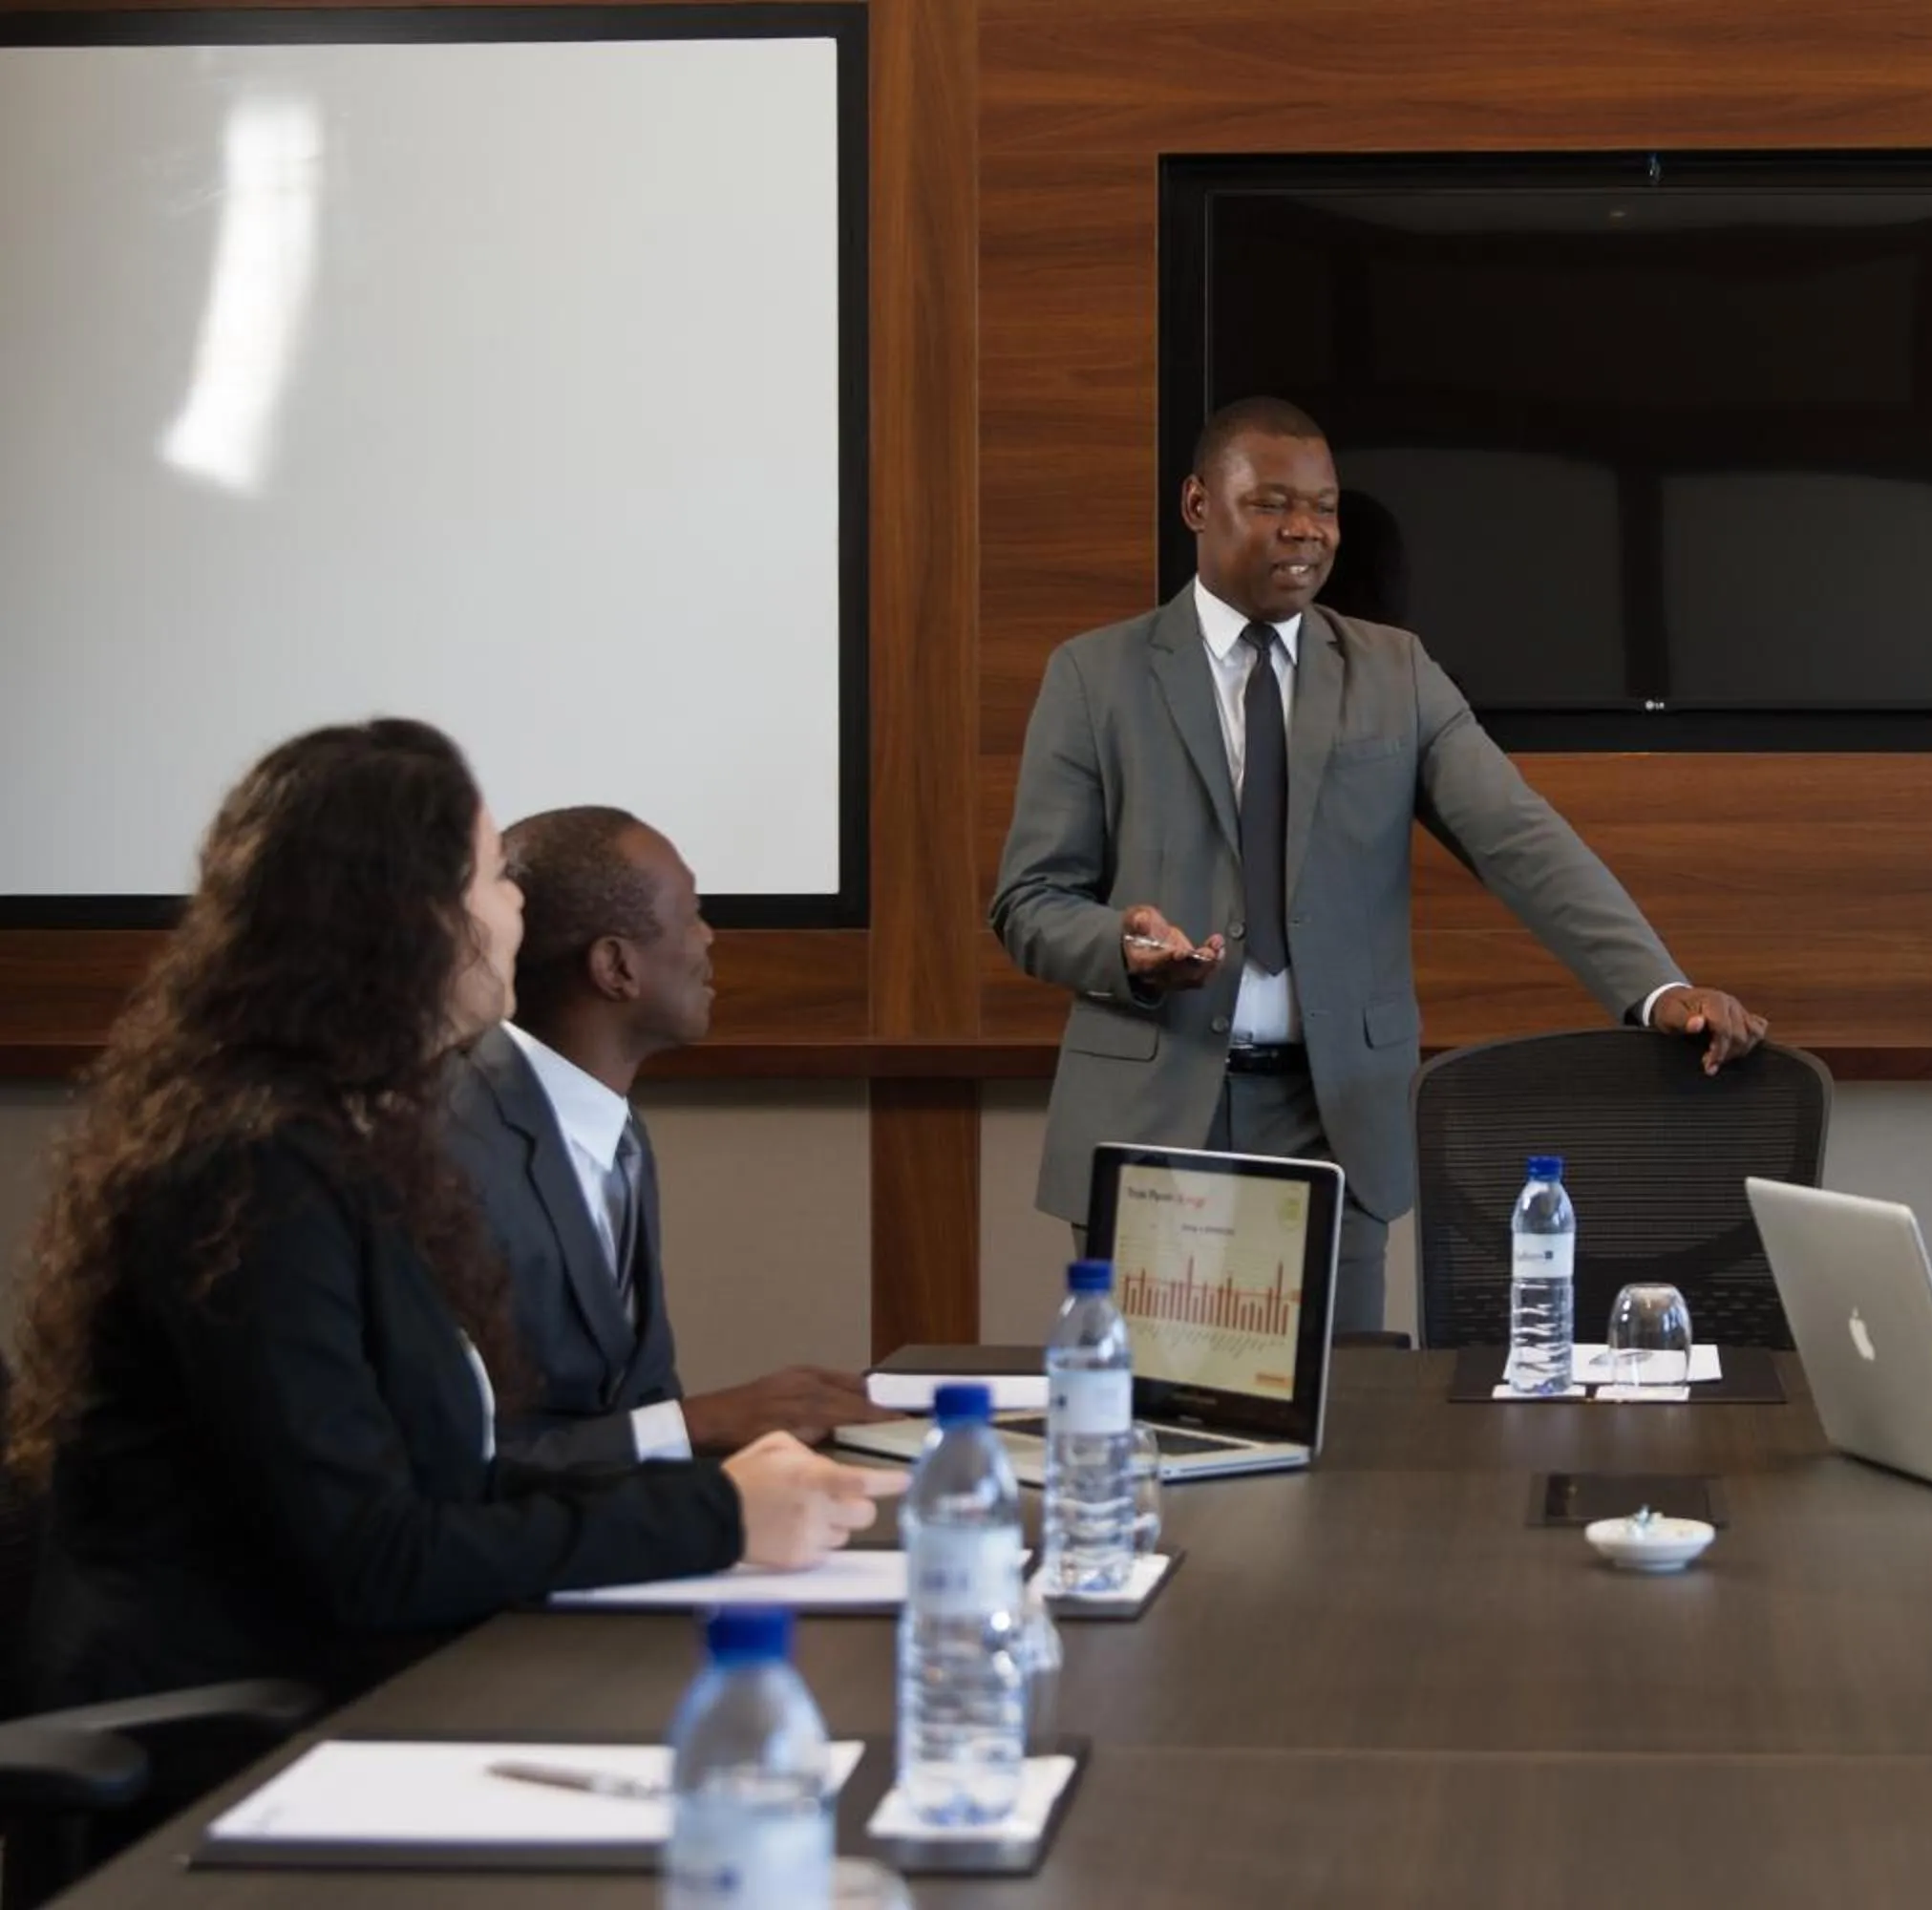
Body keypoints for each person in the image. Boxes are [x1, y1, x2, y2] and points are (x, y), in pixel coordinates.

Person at [5, 722, 900, 1707]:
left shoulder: (345, 1140)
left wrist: (712, 1494)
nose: (518, 904)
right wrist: (716, 1515)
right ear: (409, 923)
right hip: (218, 1737)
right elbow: (374, 1553)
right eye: (490, 878)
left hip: (346, 1681)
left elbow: (450, 1482)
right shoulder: (252, 1173)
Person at [990, 396, 1767, 1329]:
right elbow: (1029, 900)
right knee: (1156, 1426)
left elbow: (1521, 838)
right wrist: (1122, 945)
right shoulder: (1096, 674)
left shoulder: (1394, 674)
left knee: (1345, 1427)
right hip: (1153, 1113)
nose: (1307, 530)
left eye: (1324, 507)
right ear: (1198, 504)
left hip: (1335, 1112)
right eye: (1273, 502)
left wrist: (1657, 988)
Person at [446, 806, 898, 1468]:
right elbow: (453, 1467)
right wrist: (695, 1425)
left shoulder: (612, 1126)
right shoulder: (454, 1153)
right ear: (616, 967)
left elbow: (632, 1402)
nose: (709, 938)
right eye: (690, 915)